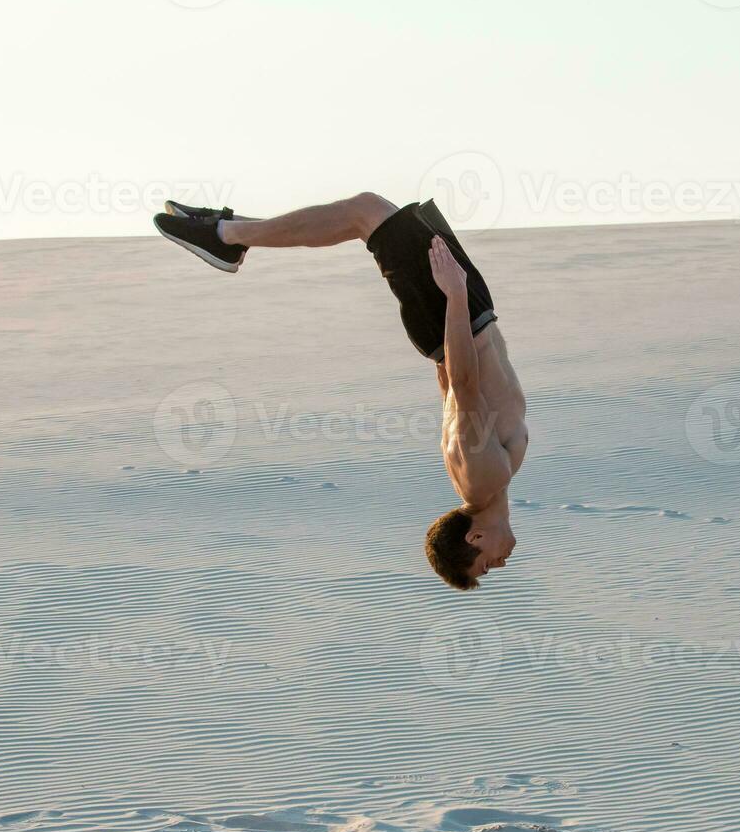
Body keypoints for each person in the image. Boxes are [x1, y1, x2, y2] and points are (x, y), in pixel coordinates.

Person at [154, 194, 527, 590]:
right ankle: (227, 230)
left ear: (475, 538)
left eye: (485, 566)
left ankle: (225, 235)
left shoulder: (482, 481)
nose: (499, 565)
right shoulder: (479, 480)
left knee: (365, 214)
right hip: (462, 319)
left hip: (456, 317)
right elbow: (450, 387)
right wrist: (457, 302)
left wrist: (453, 296)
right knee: (369, 215)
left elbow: (464, 386)